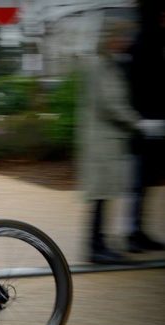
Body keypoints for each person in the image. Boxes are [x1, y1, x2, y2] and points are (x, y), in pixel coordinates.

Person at [77, 12, 163, 264]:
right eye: (119, 36)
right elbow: (110, 104)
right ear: (108, 38)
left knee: (103, 196)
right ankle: (96, 248)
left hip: (107, 143)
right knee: (101, 197)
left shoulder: (108, 64)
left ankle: (99, 244)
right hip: (101, 143)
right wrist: (140, 123)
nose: (124, 41)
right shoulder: (99, 65)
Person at [126, 1, 165, 253]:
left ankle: (136, 230)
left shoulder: (144, 40)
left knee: (142, 182)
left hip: (147, 121)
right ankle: (134, 232)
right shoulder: (148, 41)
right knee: (139, 182)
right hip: (147, 122)